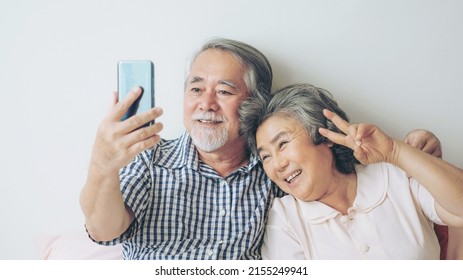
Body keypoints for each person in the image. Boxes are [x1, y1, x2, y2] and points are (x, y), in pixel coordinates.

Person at [80, 38, 443, 259]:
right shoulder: (149, 158)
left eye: (224, 91)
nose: (206, 103)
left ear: (255, 104)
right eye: (195, 89)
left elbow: (338, 174)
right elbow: (105, 230)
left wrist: (411, 152)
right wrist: (102, 165)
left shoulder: (277, 171)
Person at [239, 83, 463, 259]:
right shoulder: (285, 218)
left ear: (324, 136)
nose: (277, 164)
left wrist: (396, 152)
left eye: (283, 144)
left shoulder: (393, 176)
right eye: (265, 156)